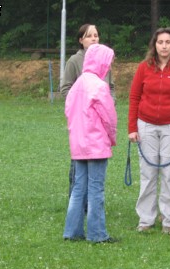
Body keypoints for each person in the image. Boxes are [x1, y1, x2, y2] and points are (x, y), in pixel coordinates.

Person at [128, 27, 170, 234]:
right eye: (160, 42)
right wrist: (132, 128)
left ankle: (169, 220)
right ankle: (146, 219)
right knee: (148, 174)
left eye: (168, 42)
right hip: (146, 125)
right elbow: (134, 98)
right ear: (154, 45)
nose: (164, 46)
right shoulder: (143, 68)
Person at [63, 44, 118, 243]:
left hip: (78, 145)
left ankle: (72, 231)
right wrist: (112, 138)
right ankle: (97, 234)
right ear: (101, 62)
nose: (110, 66)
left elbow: (68, 112)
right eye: (109, 62)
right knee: (96, 189)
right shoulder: (99, 85)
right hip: (96, 145)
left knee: (78, 188)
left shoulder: (77, 85)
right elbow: (109, 118)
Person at [60, 23, 115, 197]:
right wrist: (79, 103)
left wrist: (109, 102)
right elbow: (66, 87)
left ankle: (91, 201)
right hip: (82, 121)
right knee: (78, 166)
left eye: (96, 35)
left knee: (96, 169)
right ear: (81, 40)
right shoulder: (74, 61)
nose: (94, 38)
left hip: (100, 120)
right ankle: (76, 201)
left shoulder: (105, 61)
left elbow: (110, 87)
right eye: (89, 36)